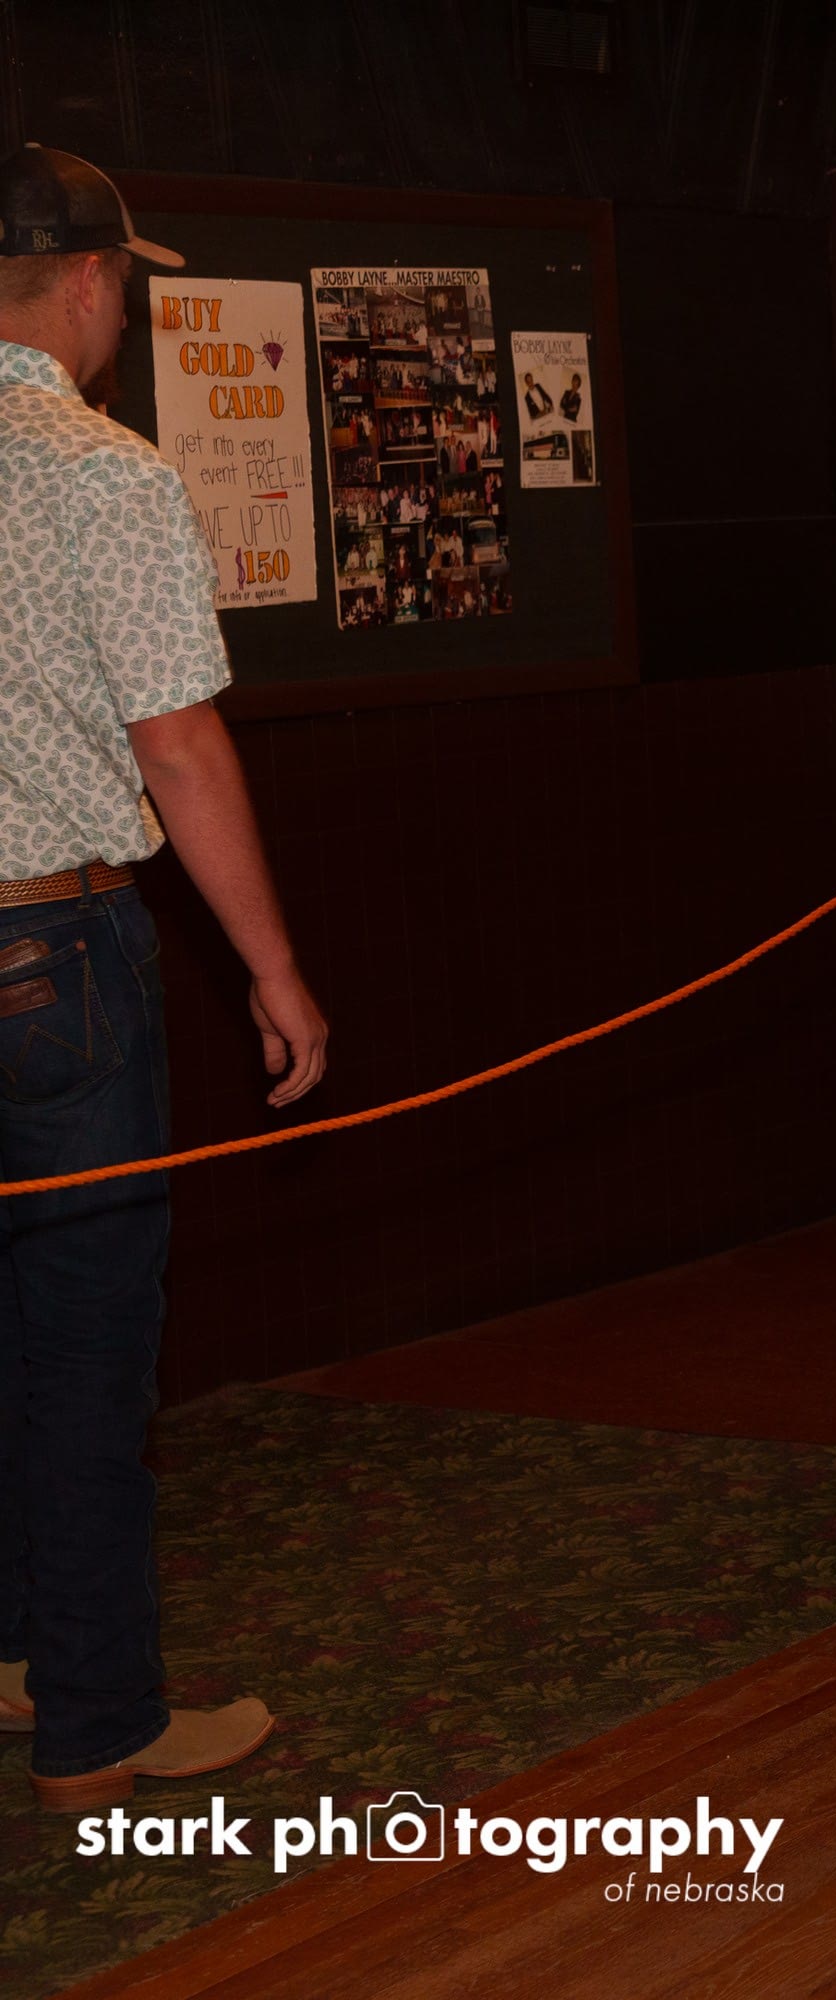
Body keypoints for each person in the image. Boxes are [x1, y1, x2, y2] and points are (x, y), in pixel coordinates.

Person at [0, 144, 329, 1810]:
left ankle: (12, 1652)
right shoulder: (99, 469)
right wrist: (271, 968)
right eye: (125, 282)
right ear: (87, 282)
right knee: (78, 1352)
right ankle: (99, 1722)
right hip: (50, 957)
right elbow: (180, 747)